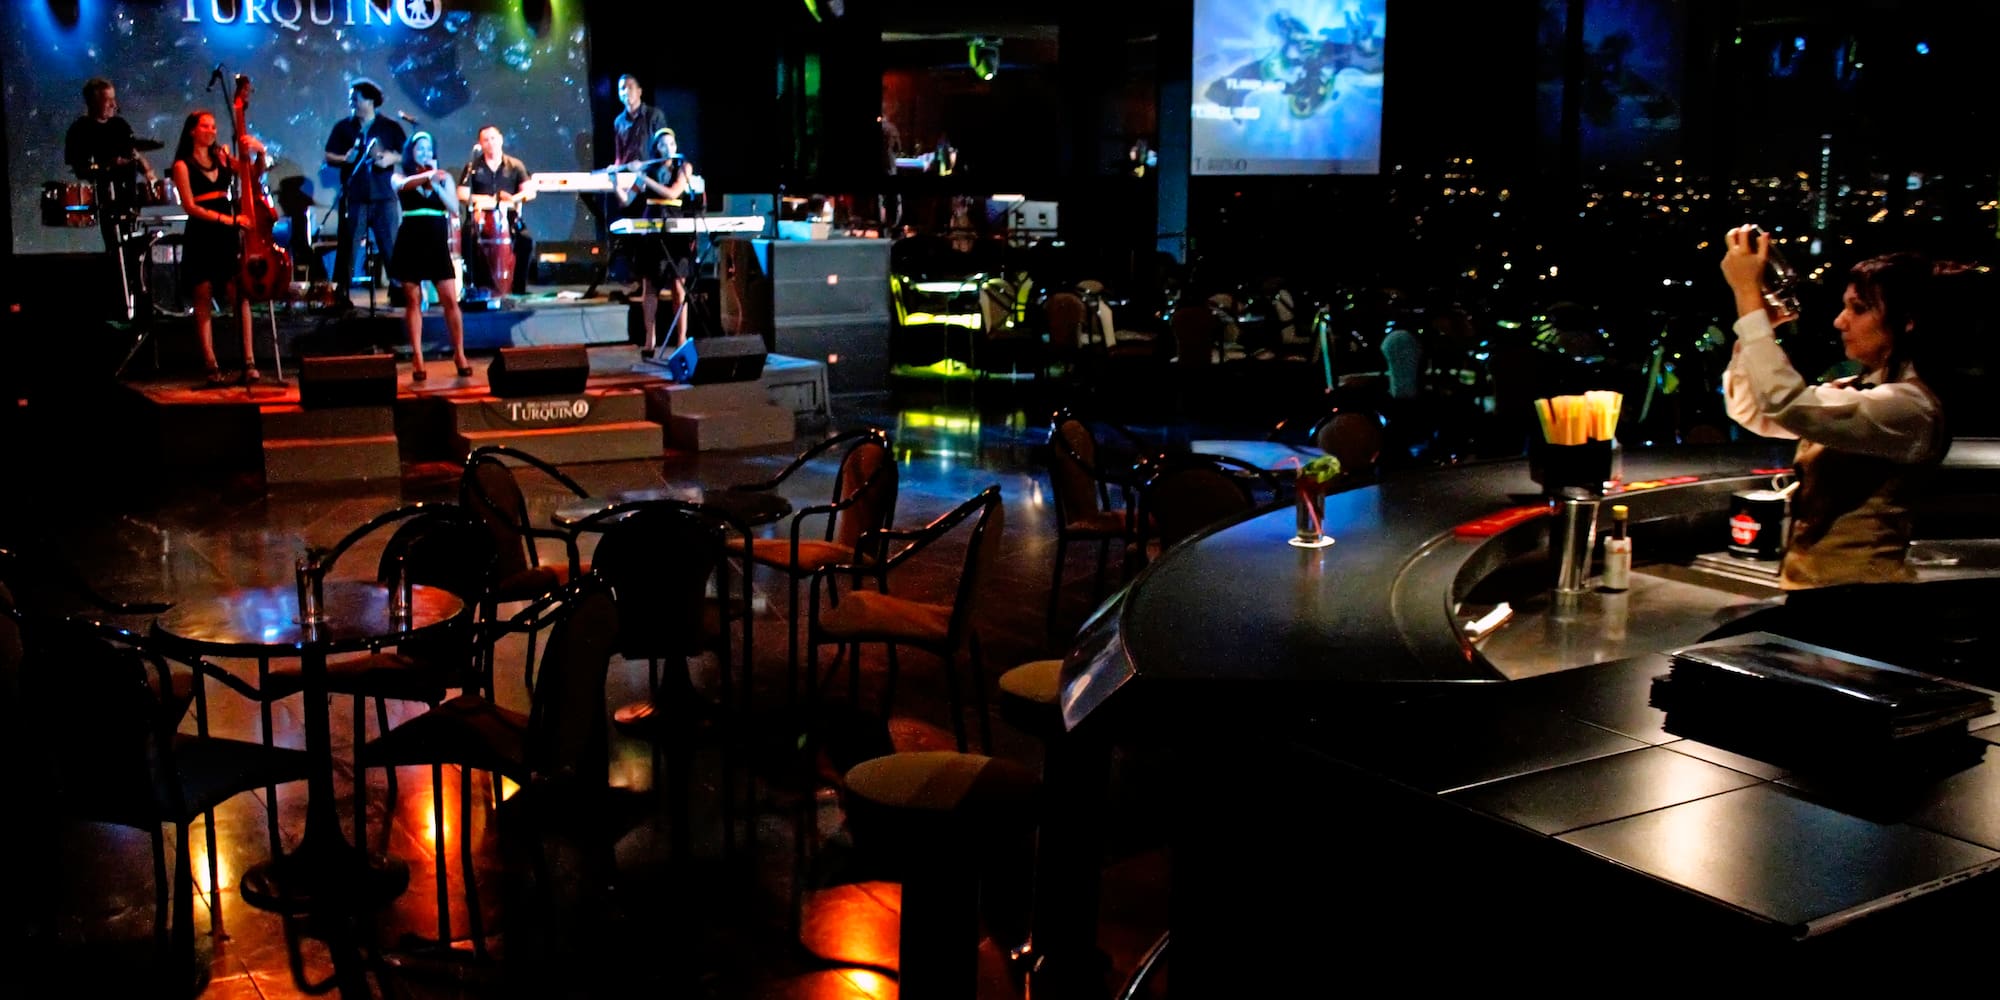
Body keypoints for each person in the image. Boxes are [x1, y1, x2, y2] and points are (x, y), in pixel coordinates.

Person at [1710, 226, 1987, 662]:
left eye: (1858, 309)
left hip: (1864, 609)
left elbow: (1787, 403)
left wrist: (1748, 298)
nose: (1840, 321)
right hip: (1829, 602)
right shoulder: (1863, 391)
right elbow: (1757, 411)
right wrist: (1754, 332)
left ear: (1907, 321)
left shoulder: (1910, 408)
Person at [169, 110, 261, 387]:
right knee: (203, 295)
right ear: (192, 131)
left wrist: (258, 153)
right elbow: (190, 206)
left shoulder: (221, 157)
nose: (211, 131)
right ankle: (210, 364)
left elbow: (249, 175)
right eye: (205, 126)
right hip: (202, 232)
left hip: (226, 234)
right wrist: (228, 220)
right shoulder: (182, 165)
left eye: (213, 126)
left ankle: (249, 361)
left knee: (239, 293)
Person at [65, 77, 157, 317]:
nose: (113, 105)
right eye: (108, 101)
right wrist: (107, 166)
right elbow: (80, 167)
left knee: (137, 246)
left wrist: (148, 172)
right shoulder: (80, 130)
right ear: (94, 101)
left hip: (129, 195)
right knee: (116, 249)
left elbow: (134, 152)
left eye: (114, 100)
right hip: (106, 196)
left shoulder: (120, 126)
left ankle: (143, 299)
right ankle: (122, 303)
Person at [388, 132, 470, 383]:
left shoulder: (443, 178)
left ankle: (459, 354)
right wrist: (427, 176)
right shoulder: (399, 175)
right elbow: (403, 187)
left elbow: (454, 208)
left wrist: (435, 182)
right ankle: (417, 357)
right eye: (419, 148)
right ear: (410, 151)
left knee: (449, 300)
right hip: (410, 239)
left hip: (435, 241)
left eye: (428, 148)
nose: (424, 152)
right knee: (413, 300)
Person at [322, 79, 405, 308]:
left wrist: (391, 158)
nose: (352, 102)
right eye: (351, 98)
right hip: (356, 196)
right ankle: (341, 293)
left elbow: (406, 154)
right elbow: (329, 155)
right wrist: (343, 159)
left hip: (384, 196)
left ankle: (397, 289)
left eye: (356, 97)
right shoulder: (343, 127)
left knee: (390, 244)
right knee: (349, 245)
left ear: (370, 101)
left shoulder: (389, 127)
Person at [615, 127, 696, 358]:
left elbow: (672, 193)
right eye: (663, 145)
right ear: (656, 148)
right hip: (650, 228)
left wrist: (644, 178)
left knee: (679, 287)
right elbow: (625, 200)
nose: (668, 148)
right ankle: (650, 340)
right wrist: (614, 180)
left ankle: (681, 340)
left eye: (672, 144)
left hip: (675, 229)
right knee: (650, 287)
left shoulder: (684, 167)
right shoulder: (649, 170)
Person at [458, 124, 535, 299]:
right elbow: (462, 194)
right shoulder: (472, 166)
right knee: (467, 238)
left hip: (508, 215)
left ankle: (518, 287)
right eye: (486, 140)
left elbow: (530, 192)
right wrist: (486, 200)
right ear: (480, 143)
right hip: (481, 215)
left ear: (500, 140)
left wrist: (512, 199)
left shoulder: (515, 165)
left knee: (525, 240)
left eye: (493, 138)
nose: (490, 143)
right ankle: (474, 285)